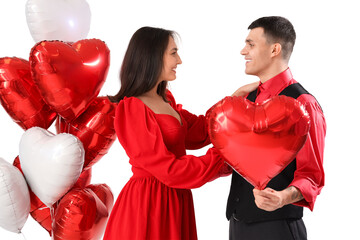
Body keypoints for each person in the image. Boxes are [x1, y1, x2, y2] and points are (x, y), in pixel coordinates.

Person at [103, 26, 254, 240]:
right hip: (148, 205)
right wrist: (224, 159)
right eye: (173, 53)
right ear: (152, 56)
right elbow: (169, 170)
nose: (179, 60)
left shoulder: (167, 100)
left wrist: (233, 102)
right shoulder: (132, 108)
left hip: (175, 198)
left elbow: (201, 131)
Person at [226, 16, 326, 240]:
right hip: (238, 223)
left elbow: (312, 176)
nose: (243, 51)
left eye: (251, 44)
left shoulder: (303, 103)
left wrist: (282, 197)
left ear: (274, 50)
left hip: (277, 228)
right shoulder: (245, 99)